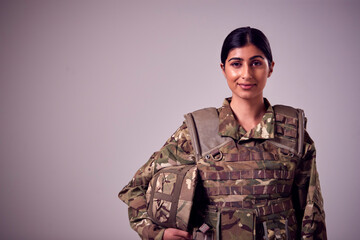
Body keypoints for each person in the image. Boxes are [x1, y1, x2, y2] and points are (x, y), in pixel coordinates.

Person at [118, 27, 327, 240]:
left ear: (270, 68)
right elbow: (135, 189)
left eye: (256, 63)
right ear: (223, 68)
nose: (246, 74)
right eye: (236, 64)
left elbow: (312, 214)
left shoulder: (292, 132)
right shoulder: (199, 132)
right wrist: (158, 234)